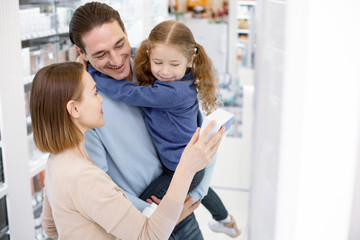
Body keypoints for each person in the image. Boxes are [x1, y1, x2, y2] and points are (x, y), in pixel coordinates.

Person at [31, 62, 224, 239]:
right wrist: (186, 168)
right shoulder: (85, 177)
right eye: (94, 92)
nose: (101, 100)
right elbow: (149, 236)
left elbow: (51, 227)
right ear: (74, 109)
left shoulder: (56, 161)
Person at [69, 2, 210, 239]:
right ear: (81, 53)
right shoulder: (84, 104)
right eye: (101, 54)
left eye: (119, 44)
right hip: (142, 221)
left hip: (184, 209)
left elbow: (201, 132)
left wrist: (196, 194)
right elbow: (98, 183)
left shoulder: (157, 65)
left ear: (125, 29)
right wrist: (155, 212)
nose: (116, 59)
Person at [93, 20, 241, 238]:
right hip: (183, 165)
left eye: (173, 64)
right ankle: (225, 220)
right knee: (201, 192)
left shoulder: (171, 93)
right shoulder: (181, 80)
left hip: (181, 169)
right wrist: (128, 53)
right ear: (149, 55)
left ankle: (224, 220)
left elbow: (129, 93)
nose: (164, 71)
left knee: (146, 203)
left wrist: (92, 72)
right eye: (157, 62)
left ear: (189, 61)